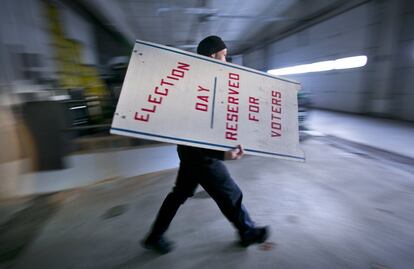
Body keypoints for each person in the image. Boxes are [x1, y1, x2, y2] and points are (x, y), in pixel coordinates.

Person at [142, 36, 269, 254]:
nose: (226, 61)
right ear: (213, 56)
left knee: (179, 194)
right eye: (225, 55)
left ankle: (154, 236)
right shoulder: (199, 86)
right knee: (229, 192)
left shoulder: (201, 80)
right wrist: (223, 154)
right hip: (199, 155)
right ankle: (247, 232)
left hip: (190, 153)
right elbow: (196, 131)